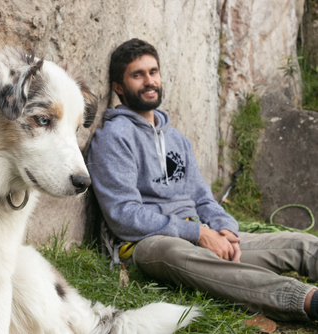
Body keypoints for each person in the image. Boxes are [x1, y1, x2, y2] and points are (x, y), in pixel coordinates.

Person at [88, 38, 318, 322]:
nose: (149, 81)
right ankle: (308, 300)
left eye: (153, 72)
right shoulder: (114, 137)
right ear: (119, 87)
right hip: (147, 244)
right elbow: (124, 215)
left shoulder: (177, 139)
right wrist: (198, 234)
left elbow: (202, 198)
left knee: (301, 244)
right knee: (181, 255)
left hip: (200, 235)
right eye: (138, 75)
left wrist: (225, 230)